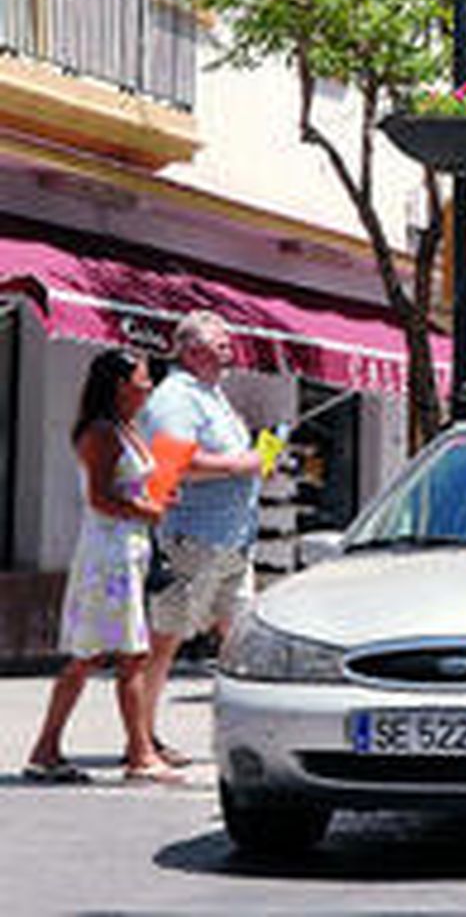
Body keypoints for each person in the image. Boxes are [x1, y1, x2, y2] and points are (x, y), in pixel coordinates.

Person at [23, 349, 181, 785]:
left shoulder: (127, 430)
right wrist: (147, 512)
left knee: (89, 657)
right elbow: (99, 498)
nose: (148, 385)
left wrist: (156, 499)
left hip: (126, 551)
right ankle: (139, 755)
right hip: (108, 556)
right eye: (142, 378)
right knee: (129, 656)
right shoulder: (101, 433)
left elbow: (125, 489)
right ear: (119, 385)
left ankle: (47, 750)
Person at [141, 310, 263, 767]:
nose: (230, 347)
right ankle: (142, 738)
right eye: (220, 342)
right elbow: (171, 464)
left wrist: (255, 458)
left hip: (232, 540)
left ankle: (247, 740)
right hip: (195, 540)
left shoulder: (212, 395)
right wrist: (240, 465)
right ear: (191, 351)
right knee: (165, 641)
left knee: (242, 644)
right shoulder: (176, 397)